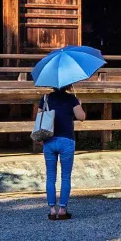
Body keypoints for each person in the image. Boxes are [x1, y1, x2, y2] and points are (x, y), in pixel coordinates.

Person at [39, 86, 87, 218]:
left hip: (49, 139)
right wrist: (79, 104)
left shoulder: (45, 98)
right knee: (65, 176)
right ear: (68, 85)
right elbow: (81, 117)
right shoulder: (72, 99)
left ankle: (52, 209)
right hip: (66, 140)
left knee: (50, 176)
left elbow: (39, 117)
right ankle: (62, 209)